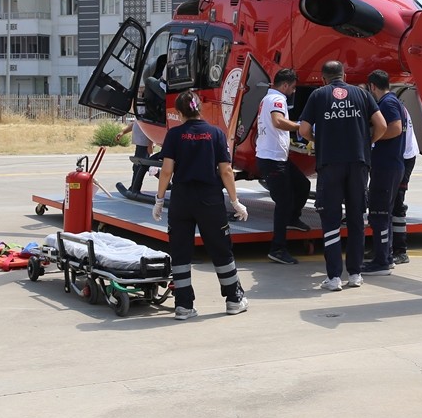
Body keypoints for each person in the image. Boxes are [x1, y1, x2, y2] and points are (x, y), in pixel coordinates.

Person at [151, 91, 250, 320]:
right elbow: (225, 170)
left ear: (178, 112)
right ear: (200, 108)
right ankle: (234, 299)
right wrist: (235, 201)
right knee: (220, 249)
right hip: (209, 199)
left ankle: (183, 306)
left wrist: (159, 200)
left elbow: (166, 170)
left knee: (181, 252)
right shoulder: (216, 133)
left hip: (182, 199)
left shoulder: (174, 135)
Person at [298, 60, 386, 292]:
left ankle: (334, 277)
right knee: (357, 218)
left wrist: (320, 142)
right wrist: (367, 143)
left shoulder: (318, 95)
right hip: (358, 162)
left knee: (331, 219)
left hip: (330, 164)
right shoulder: (362, 94)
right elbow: (382, 125)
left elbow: (304, 130)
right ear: (344, 74)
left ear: (323, 77)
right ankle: (355, 273)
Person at [257, 68, 312, 265]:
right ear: (286, 85)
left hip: (277, 158)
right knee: (283, 203)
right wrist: (301, 126)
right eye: (294, 87)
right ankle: (278, 248)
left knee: (302, 185)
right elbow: (278, 121)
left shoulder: (268, 98)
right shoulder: (277, 99)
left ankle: (292, 218)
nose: (295, 91)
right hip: (272, 159)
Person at [361, 70, 405, 277]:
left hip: (387, 167)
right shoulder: (391, 101)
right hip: (388, 166)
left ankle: (381, 262)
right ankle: (384, 256)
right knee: (383, 214)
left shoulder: (387, 103)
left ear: (372, 87)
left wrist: (371, 138)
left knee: (378, 214)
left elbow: (395, 128)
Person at [391, 104, 419, 266]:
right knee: (386, 202)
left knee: (396, 202)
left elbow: (393, 130)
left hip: (403, 158)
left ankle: (400, 251)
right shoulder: (394, 104)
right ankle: (386, 247)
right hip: (398, 157)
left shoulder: (389, 106)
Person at [127, 119, 153, 195]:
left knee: (139, 167)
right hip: (139, 144)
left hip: (144, 144)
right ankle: (166, 182)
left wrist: (150, 144)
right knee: (143, 166)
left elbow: (150, 127)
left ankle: (134, 188)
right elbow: (134, 124)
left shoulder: (145, 113)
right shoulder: (139, 113)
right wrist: (123, 132)